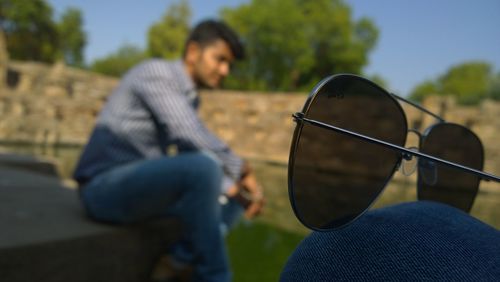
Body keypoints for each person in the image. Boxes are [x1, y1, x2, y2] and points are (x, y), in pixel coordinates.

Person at [73, 19, 264, 282]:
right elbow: (188, 133)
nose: (225, 70)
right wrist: (242, 170)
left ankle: (178, 260)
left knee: (233, 200)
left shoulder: (189, 97)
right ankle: (215, 275)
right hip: (103, 188)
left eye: (228, 64)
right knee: (207, 168)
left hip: (139, 190)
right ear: (193, 52)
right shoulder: (157, 73)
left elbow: (190, 151)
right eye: (220, 59)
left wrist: (237, 191)